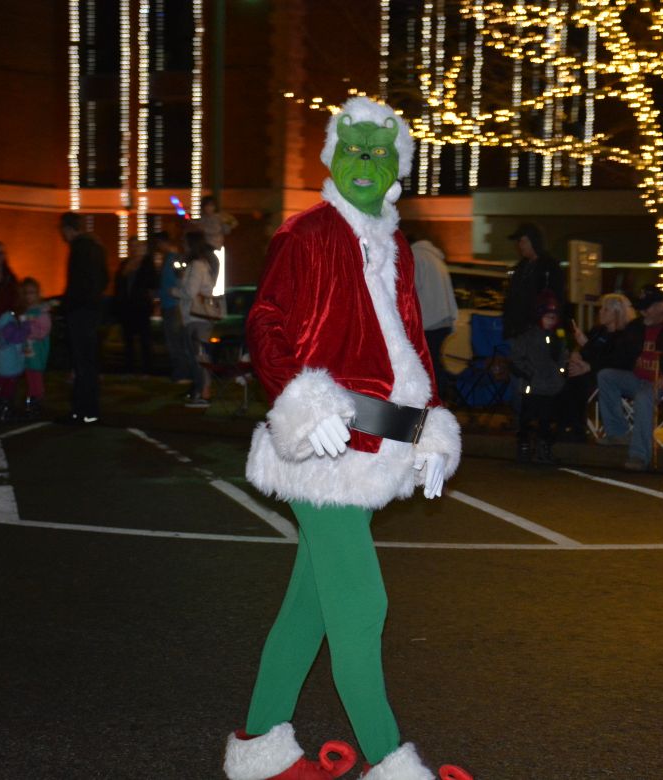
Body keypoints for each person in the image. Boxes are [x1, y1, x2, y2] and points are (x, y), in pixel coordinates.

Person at [226, 96, 470, 780]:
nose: (366, 162)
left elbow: (409, 343)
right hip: (322, 450)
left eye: (379, 152)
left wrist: (427, 431)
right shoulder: (305, 235)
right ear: (334, 158)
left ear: (398, 167)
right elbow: (265, 322)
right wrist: (303, 403)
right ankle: (389, 760)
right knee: (362, 603)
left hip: (376, 445)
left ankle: (259, 746)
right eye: (355, 150)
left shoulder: (393, 244)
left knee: (310, 608)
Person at [596, 286, 663, 471]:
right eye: (641, 307)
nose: (643, 312)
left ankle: (639, 455)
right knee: (606, 376)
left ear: (661, 306)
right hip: (637, 377)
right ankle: (618, 433)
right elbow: (620, 355)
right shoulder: (636, 327)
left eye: (647, 307)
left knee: (644, 396)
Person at [558, 292, 635, 441]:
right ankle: (564, 424)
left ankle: (576, 427)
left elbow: (613, 360)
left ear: (616, 313)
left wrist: (587, 360)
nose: (600, 312)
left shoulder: (624, 336)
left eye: (605, 309)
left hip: (606, 375)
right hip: (588, 370)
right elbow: (587, 351)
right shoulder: (598, 331)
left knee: (577, 381)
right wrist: (577, 354)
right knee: (564, 376)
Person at [57, 211, 108, 425]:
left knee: (81, 362)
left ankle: (81, 409)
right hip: (93, 309)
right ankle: (90, 409)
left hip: (79, 311)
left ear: (67, 230)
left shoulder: (78, 249)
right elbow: (103, 278)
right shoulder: (96, 247)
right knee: (89, 361)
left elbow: (76, 284)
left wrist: (65, 305)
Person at [509, 291, 569, 464]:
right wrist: (528, 373)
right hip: (532, 386)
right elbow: (516, 359)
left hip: (551, 386)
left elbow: (562, 356)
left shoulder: (558, 336)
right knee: (527, 418)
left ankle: (544, 448)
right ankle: (524, 446)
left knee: (547, 419)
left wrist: (561, 372)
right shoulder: (528, 336)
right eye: (548, 317)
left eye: (554, 318)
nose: (551, 321)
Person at [174, 230, 219, 408]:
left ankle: (203, 394)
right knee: (201, 355)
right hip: (200, 317)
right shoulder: (204, 264)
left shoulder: (196, 266)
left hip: (196, 317)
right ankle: (201, 392)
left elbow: (190, 292)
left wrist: (174, 291)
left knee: (199, 357)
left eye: (184, 243)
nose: (183, 246)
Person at [410, 235, 458, 400]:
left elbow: (412, 289)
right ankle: (441, 396)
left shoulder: (416, 256)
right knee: (436, 362)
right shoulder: (435, 258)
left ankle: (434, 398)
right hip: (443, 319)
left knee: (428, 365)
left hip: (428, 321)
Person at [501, 222, 566, 338]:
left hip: (538, 330)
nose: (520, 245)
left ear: (534, 241)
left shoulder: (549, 266)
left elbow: (556, 297)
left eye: (524, 241)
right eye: (519, 242)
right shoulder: (521, 267)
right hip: (518, 330)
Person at [113, 236, 157, 375]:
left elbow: (152, 282)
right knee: (128, 339)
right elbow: (118, 284)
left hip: (142, 306)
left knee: (145, 339)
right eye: (131, 246)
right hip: (127, 307)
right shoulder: (125, 264)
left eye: (136, 246)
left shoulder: (147, 263)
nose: (134, 249)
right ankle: (129, 368)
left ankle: (147, 370)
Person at [155, 231, 193, 382]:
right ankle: (180, 372)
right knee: (174, 341)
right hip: (169, 303)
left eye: (159, 244)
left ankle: (182, 373)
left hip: (174, 304)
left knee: (175, 341)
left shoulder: (174, 259)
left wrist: (173, 293)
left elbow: (180, 280)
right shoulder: (168, 259)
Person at [0, 306, 28, 422]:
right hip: (9, 361)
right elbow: (16, 337)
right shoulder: (7, 320)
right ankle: (5, 410)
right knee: (8, 386)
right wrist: (25, 325)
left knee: (0, 384)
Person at [18, 277, 51, 419]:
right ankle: (32, 402)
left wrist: (29, 331)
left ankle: (36, 402)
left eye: (32, 293)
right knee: (30, 377)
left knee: (36, 377)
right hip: (28, 350)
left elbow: (44, 331)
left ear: (38, 293)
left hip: (37, 351)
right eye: (26, 293)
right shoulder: (27, 311)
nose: (29, 296)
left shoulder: (41, 312)